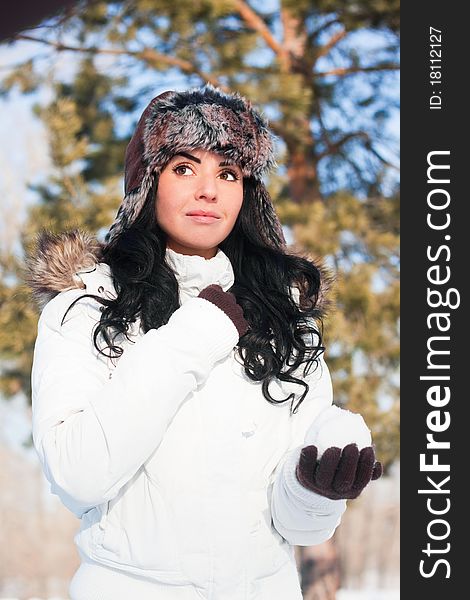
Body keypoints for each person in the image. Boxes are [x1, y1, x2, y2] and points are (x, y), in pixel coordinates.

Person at [26, 83, 382, 600]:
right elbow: (79, 473)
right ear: (149, 182)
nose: (209, 190)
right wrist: (197, 332)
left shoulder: (286, 320)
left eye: (229, 173)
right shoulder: (86, 307)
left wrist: (317, 489)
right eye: (184, 168)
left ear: (247, 193)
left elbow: (301, 529)